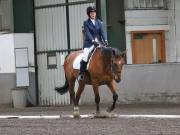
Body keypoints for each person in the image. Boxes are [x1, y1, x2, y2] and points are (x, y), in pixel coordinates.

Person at [78, 6, 108, 81]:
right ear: (89, 14)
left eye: (94, 12)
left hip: (99, 42)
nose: (93, 14)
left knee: (106, 53)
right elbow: (87, 33)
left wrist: (105, 40)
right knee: (85, 57)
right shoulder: (86, 23)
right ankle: (81, 74)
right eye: (91, 13)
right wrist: (92, 40)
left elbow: (102, 32)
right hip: (89, 43)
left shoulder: (99, 22)